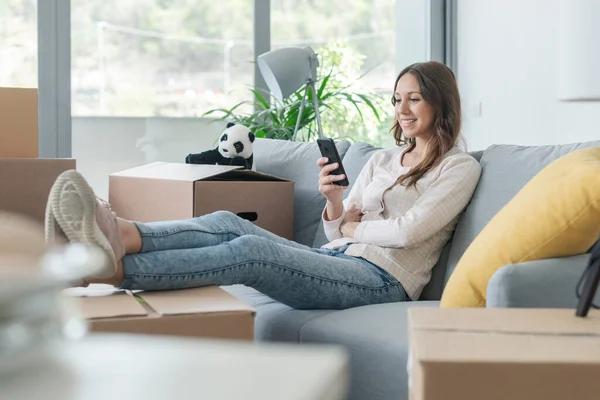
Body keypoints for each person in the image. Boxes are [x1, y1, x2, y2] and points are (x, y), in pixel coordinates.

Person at [44, 61, 481, 310]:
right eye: (397, 98)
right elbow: (337, 230)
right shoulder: (386, 159)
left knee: (251, 253)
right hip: (339, 257)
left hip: (383, 281)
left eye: (415, 99)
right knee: (227, 222)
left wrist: (351, 229)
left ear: (440, 103)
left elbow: (407, 232)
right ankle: (119, 233)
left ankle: (108, 268)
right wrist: (334, 203)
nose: (402, 109)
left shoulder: (458, 168)